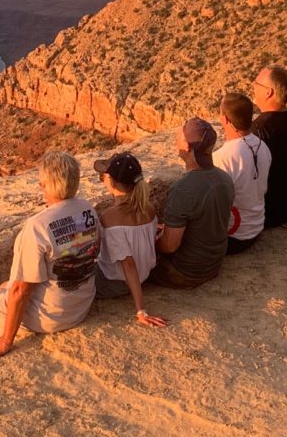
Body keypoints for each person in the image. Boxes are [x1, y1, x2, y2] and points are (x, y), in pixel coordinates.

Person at [0, 149, 102, 363]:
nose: (40, 185)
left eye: (42, 181)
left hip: (52, 315)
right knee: (4, 285)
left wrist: (5, 340)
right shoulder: (87, 209)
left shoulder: (37, 227)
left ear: (47, 185)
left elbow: (21, 290)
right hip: (81, 304)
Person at [149, 117, 234, 288]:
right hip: (213, 264)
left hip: (185, 272)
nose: (175, 141)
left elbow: (169, 246)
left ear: (187, 146)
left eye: (178, 138)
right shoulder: (225, 179)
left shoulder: (183, 189)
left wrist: (151, 241)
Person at [92, 151, 168, 327]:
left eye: (103, 176)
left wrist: (141, 310)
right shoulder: (148, 209)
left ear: (111, 181)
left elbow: (128, 264)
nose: (102, 179)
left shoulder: (110, 217)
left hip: (114, 283)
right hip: (144, 276)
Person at [249, 66, 287, 228]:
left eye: (256, 83)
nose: (253, 86)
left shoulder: (260, 128)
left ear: (268, 92)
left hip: (272, 210)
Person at [215, 91, 271, 254]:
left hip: (234, 237)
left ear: (225, 119)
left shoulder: (222, 157)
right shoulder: (263, 147)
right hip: (257, 227)